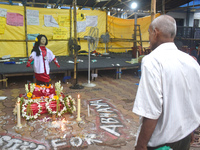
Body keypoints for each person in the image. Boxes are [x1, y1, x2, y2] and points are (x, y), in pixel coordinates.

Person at [132, 15, 200, 150]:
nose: (150, 38)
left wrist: (141, 145)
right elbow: (193, 99)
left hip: (162, 144)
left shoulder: (152, 61)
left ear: (155, 32)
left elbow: (151, 109)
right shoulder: (191, 61)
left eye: (149, 33)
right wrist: (189, 129)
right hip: (184, 138)